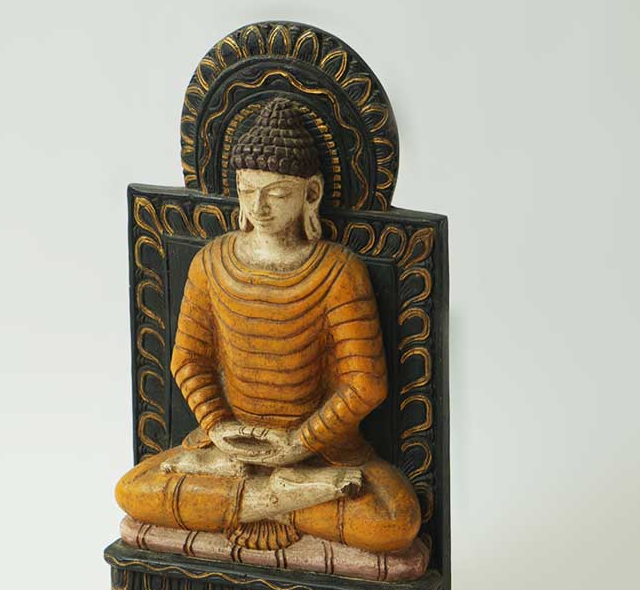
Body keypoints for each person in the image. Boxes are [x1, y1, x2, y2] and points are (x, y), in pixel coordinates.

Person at [115, 97, 421, 553]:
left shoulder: (338, 271)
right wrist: (218, 426)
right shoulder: (211, 262)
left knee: (396, 519)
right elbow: (189, 360)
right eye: (247, 189)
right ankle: (282, 499)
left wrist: (298, 444)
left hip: (319, 454)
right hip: (229, 450)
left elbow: (365, 384)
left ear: (311, 194)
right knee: (132, 489)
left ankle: (251, 499)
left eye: (276, 193)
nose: (258, 206)